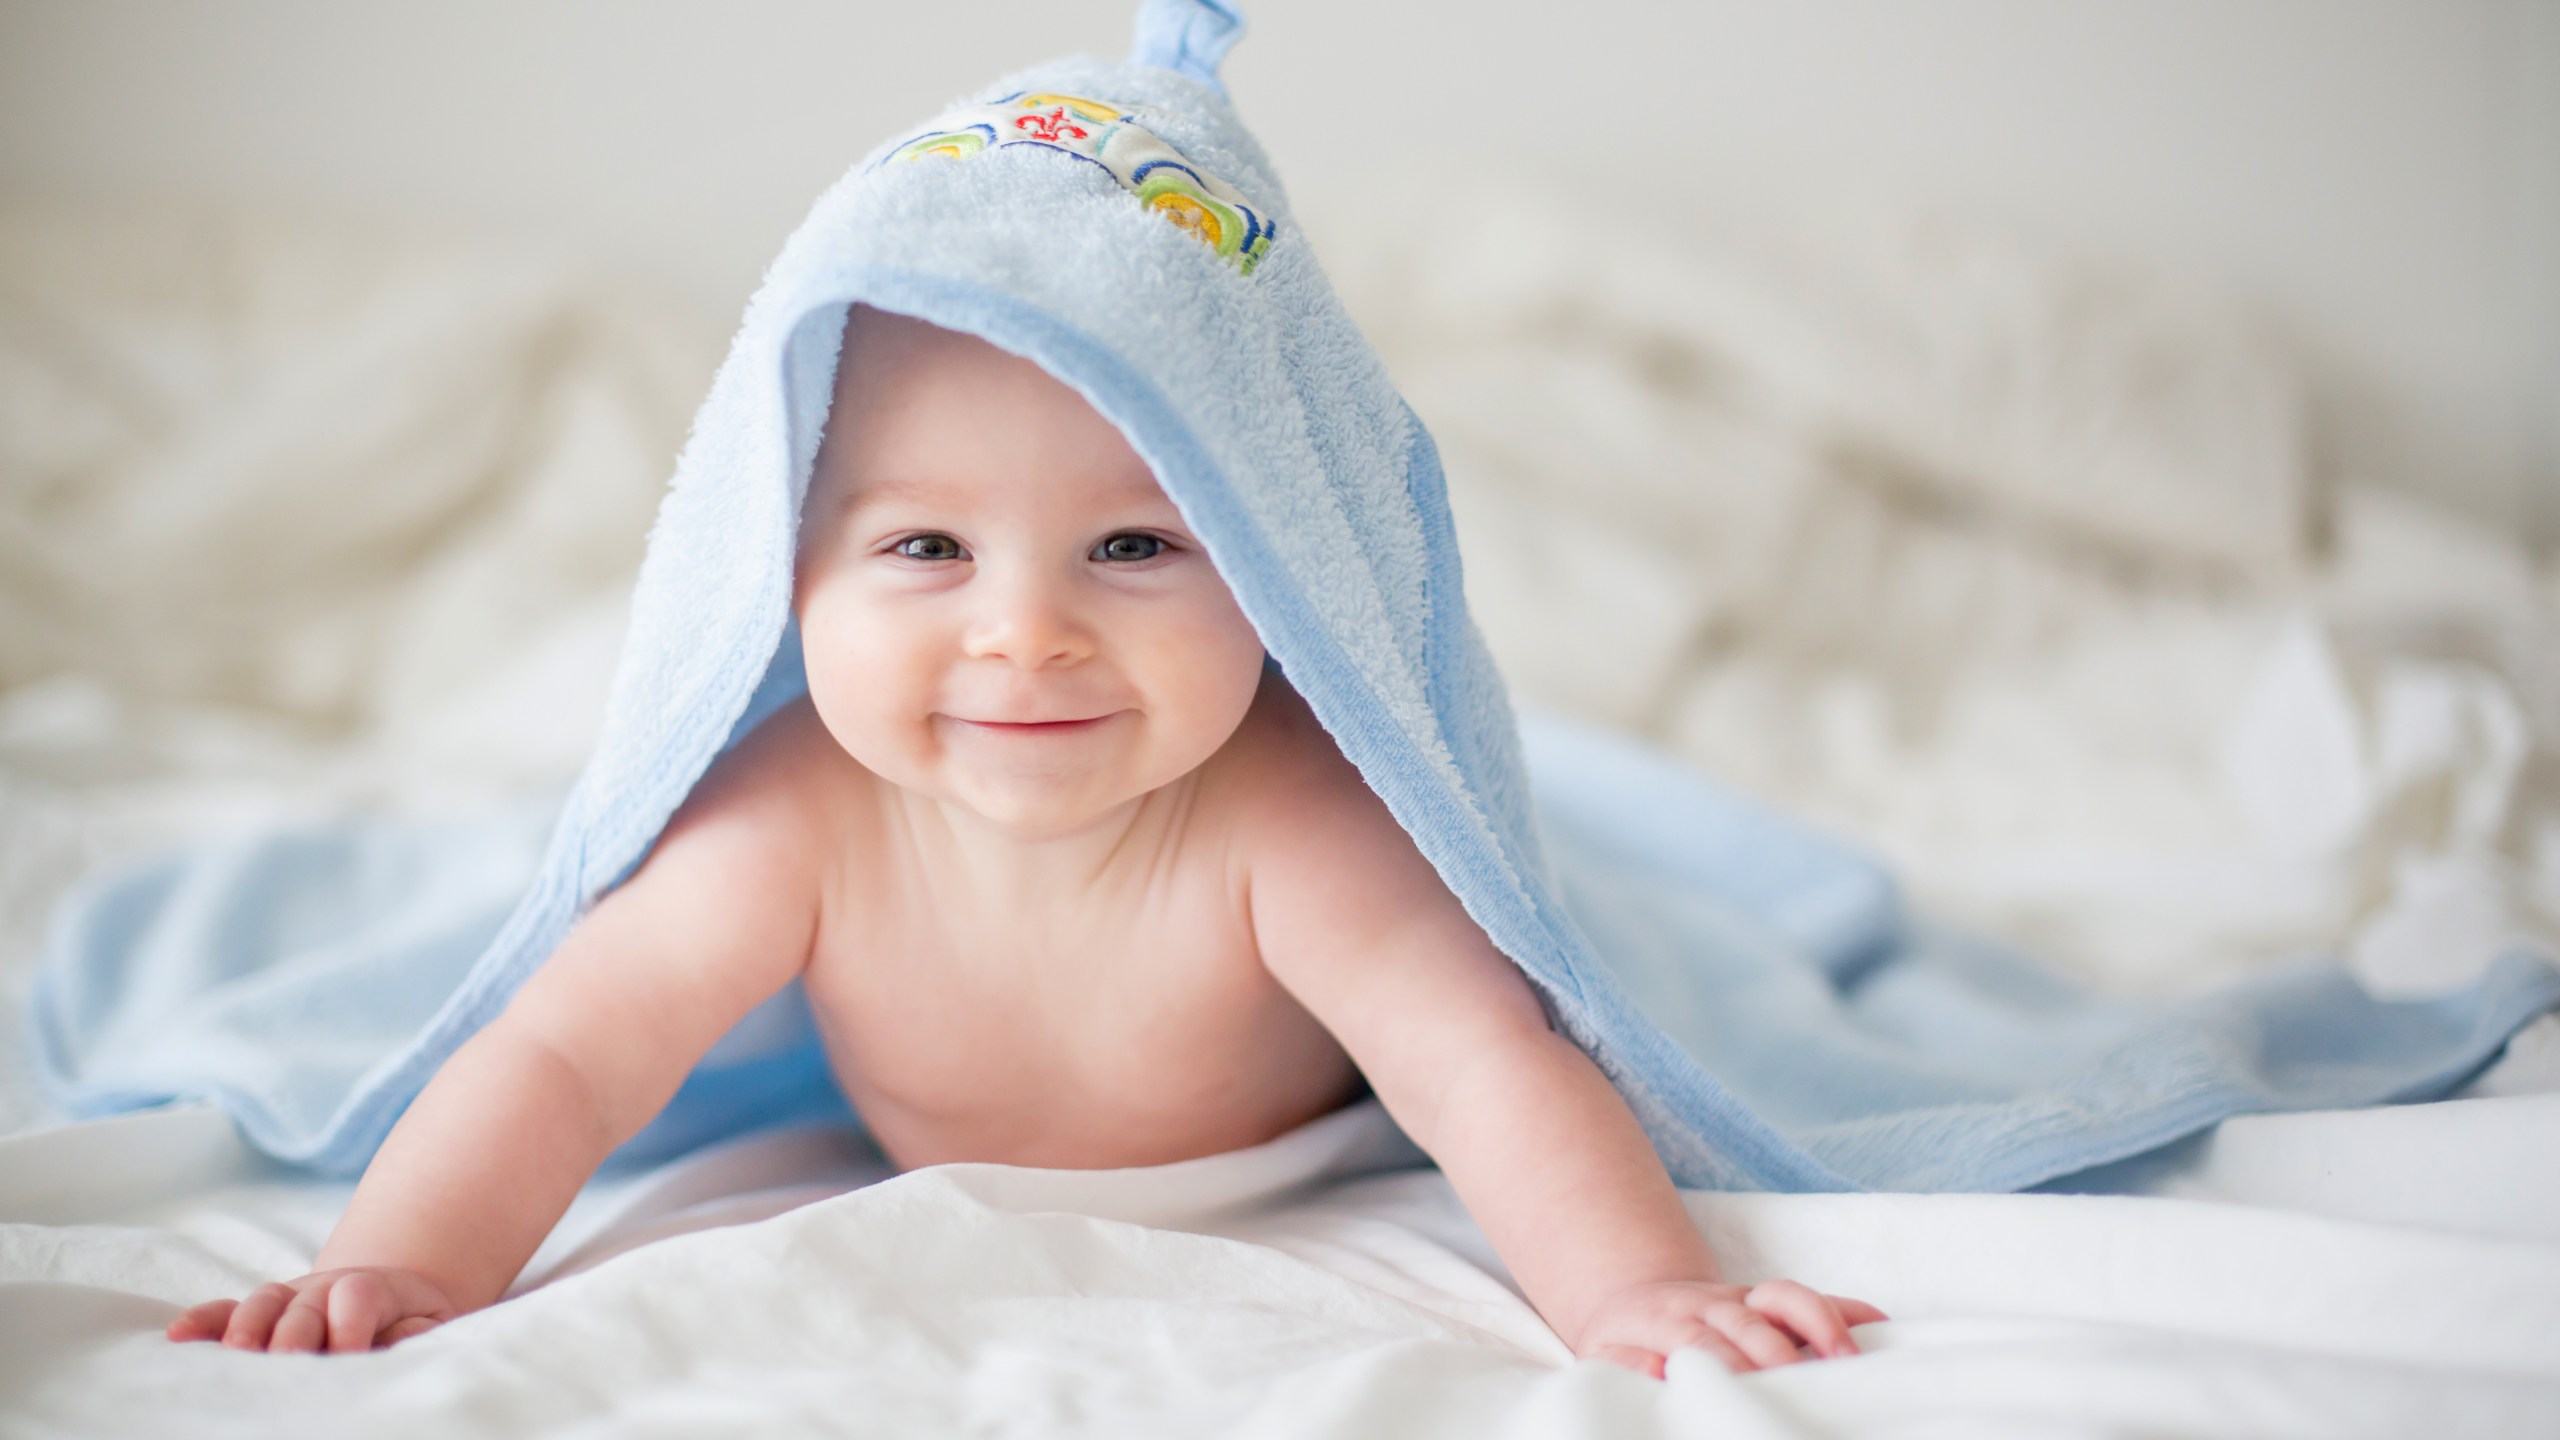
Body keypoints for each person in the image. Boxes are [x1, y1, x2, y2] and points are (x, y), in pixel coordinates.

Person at [167, 304, 1885, 1378]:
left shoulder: (1293, 813)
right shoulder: (798, 813)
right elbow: (566, 1047)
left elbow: (1482, 1068)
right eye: (925, 547)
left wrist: (1632, 1297)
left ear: (1281, 580)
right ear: (781, 578)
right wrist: (404, 1265)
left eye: (1136, 547)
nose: (1026, 635)